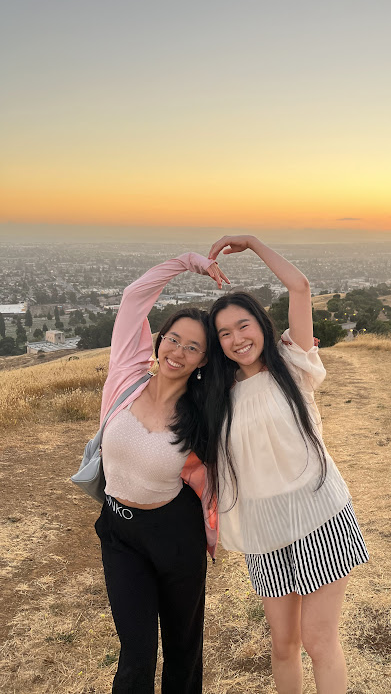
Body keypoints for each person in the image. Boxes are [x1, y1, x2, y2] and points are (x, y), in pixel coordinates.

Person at [205, 235, 368, 694]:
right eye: (225, 333)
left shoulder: (292, 364)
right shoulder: (217, 396)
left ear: (260, 323)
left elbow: (300, 287)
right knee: (282, 644)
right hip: (264, 530)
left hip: (321, 520)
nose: (237, 339)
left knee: (320, 642)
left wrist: (253, 243)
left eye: (244, 325)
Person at [94, 251, 229, 694]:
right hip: (119, 531)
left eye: (193, 347)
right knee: (136, 652)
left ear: (204, 360)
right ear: (159, 338)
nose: (179, 352)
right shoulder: (126, 376)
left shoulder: (204, 412)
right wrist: (191, 262)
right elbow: (135, 297)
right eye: (174, 338)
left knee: (182, 646)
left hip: (176, 533)